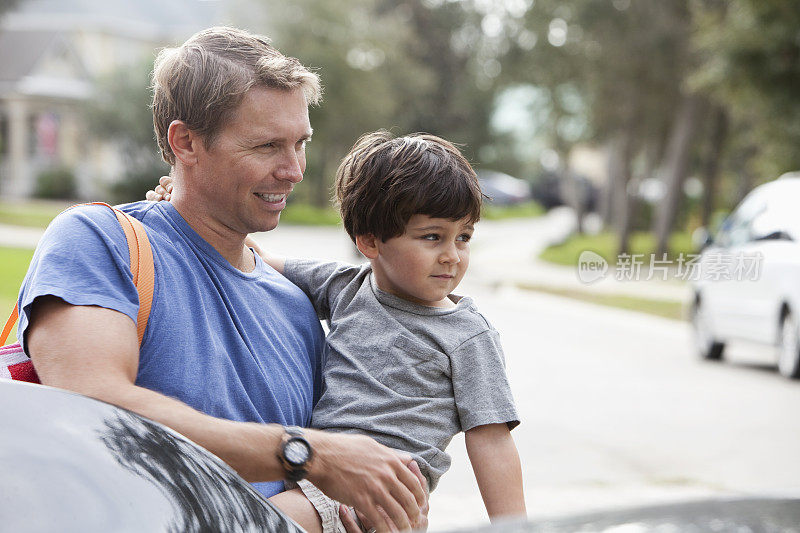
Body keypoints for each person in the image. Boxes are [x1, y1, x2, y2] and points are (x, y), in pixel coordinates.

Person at [17, 27, 426, 532]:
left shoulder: (295, 305)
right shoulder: (102, 241)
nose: (294, 169)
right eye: (267, 146)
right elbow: (93, 406)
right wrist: (305, 452)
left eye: (301, 143)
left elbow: (330, 484)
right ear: (185, 142)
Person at [150, 131, 527, 533]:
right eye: (432, 237)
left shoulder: (467, 334)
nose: (452, 255)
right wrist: (184, 201)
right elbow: (252, 257)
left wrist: (517, 529)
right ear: (369, 240)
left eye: (463, 237)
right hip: (318, 471)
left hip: (375, 494)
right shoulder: (346, 286)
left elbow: (491, 439)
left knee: (242, 525)